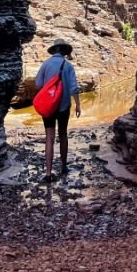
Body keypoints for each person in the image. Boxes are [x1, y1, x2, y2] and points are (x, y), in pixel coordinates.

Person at [35, 39, 81, 181]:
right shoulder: (68, 66)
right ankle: (63, 166)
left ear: (54, 50)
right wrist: (78, 105)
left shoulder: (45, 64)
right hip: (63, 106)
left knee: (49, 137)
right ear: (64, 51)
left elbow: (38, 84)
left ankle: (48, 174)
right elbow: (74, 88)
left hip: (49, 106)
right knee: (63, 134)